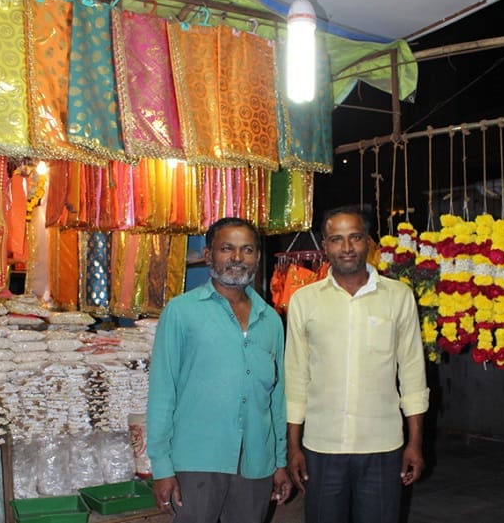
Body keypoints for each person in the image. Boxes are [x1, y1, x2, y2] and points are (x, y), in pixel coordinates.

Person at [284, 206, 430, 523]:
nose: (346, 248)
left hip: (383, 446)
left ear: (368, 242)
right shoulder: (304, 300)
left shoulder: (398, 296)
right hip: (322, 447)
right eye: (336, 239)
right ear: (325, 246)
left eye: (355, 238)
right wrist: (293, 448)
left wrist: (415, 443)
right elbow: (296, 376)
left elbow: (413, 373)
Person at [146, 217, 292, 522]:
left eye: (247, 250)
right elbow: (162, 392)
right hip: (197, 460)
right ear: (209, 254)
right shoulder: (181, 311)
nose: (237, 258)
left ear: (257, 257)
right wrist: (162, 468)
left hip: (256, 462)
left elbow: (277, 398)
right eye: (227, 248)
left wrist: (279, 462)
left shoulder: (270, 320)